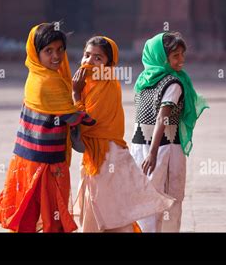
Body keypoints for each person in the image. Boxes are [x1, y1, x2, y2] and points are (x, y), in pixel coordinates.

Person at [0, 22, 95, 233]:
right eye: (48, 51)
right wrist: (79, 97)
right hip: (47, 164)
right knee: (53, 218)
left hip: (26, 158)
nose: (56, 56)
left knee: (28, 214)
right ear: (35, 52)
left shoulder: (35, 74)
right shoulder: (50, 82)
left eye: (60, 50)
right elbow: (74, 117)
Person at [72, 36, 174, 232]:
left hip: (106, 155)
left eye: (98, 58)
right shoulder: (89, 84)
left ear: (109, 64)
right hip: (94, 155)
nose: (89, 62)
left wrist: (76, 95)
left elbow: (88, 122)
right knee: (100, 205)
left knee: (105, 207)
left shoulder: (106, 85)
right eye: (86, 55)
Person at [130, 31, 209, 232]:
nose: (181, 60)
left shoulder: (174, 83)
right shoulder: (144, 81)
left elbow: (162, 118)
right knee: (145, 198)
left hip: (163, 149)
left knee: (166, 199)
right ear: (160, 57)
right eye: (175, 56)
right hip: (143, 148)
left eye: (183, 55)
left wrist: (153, 152)